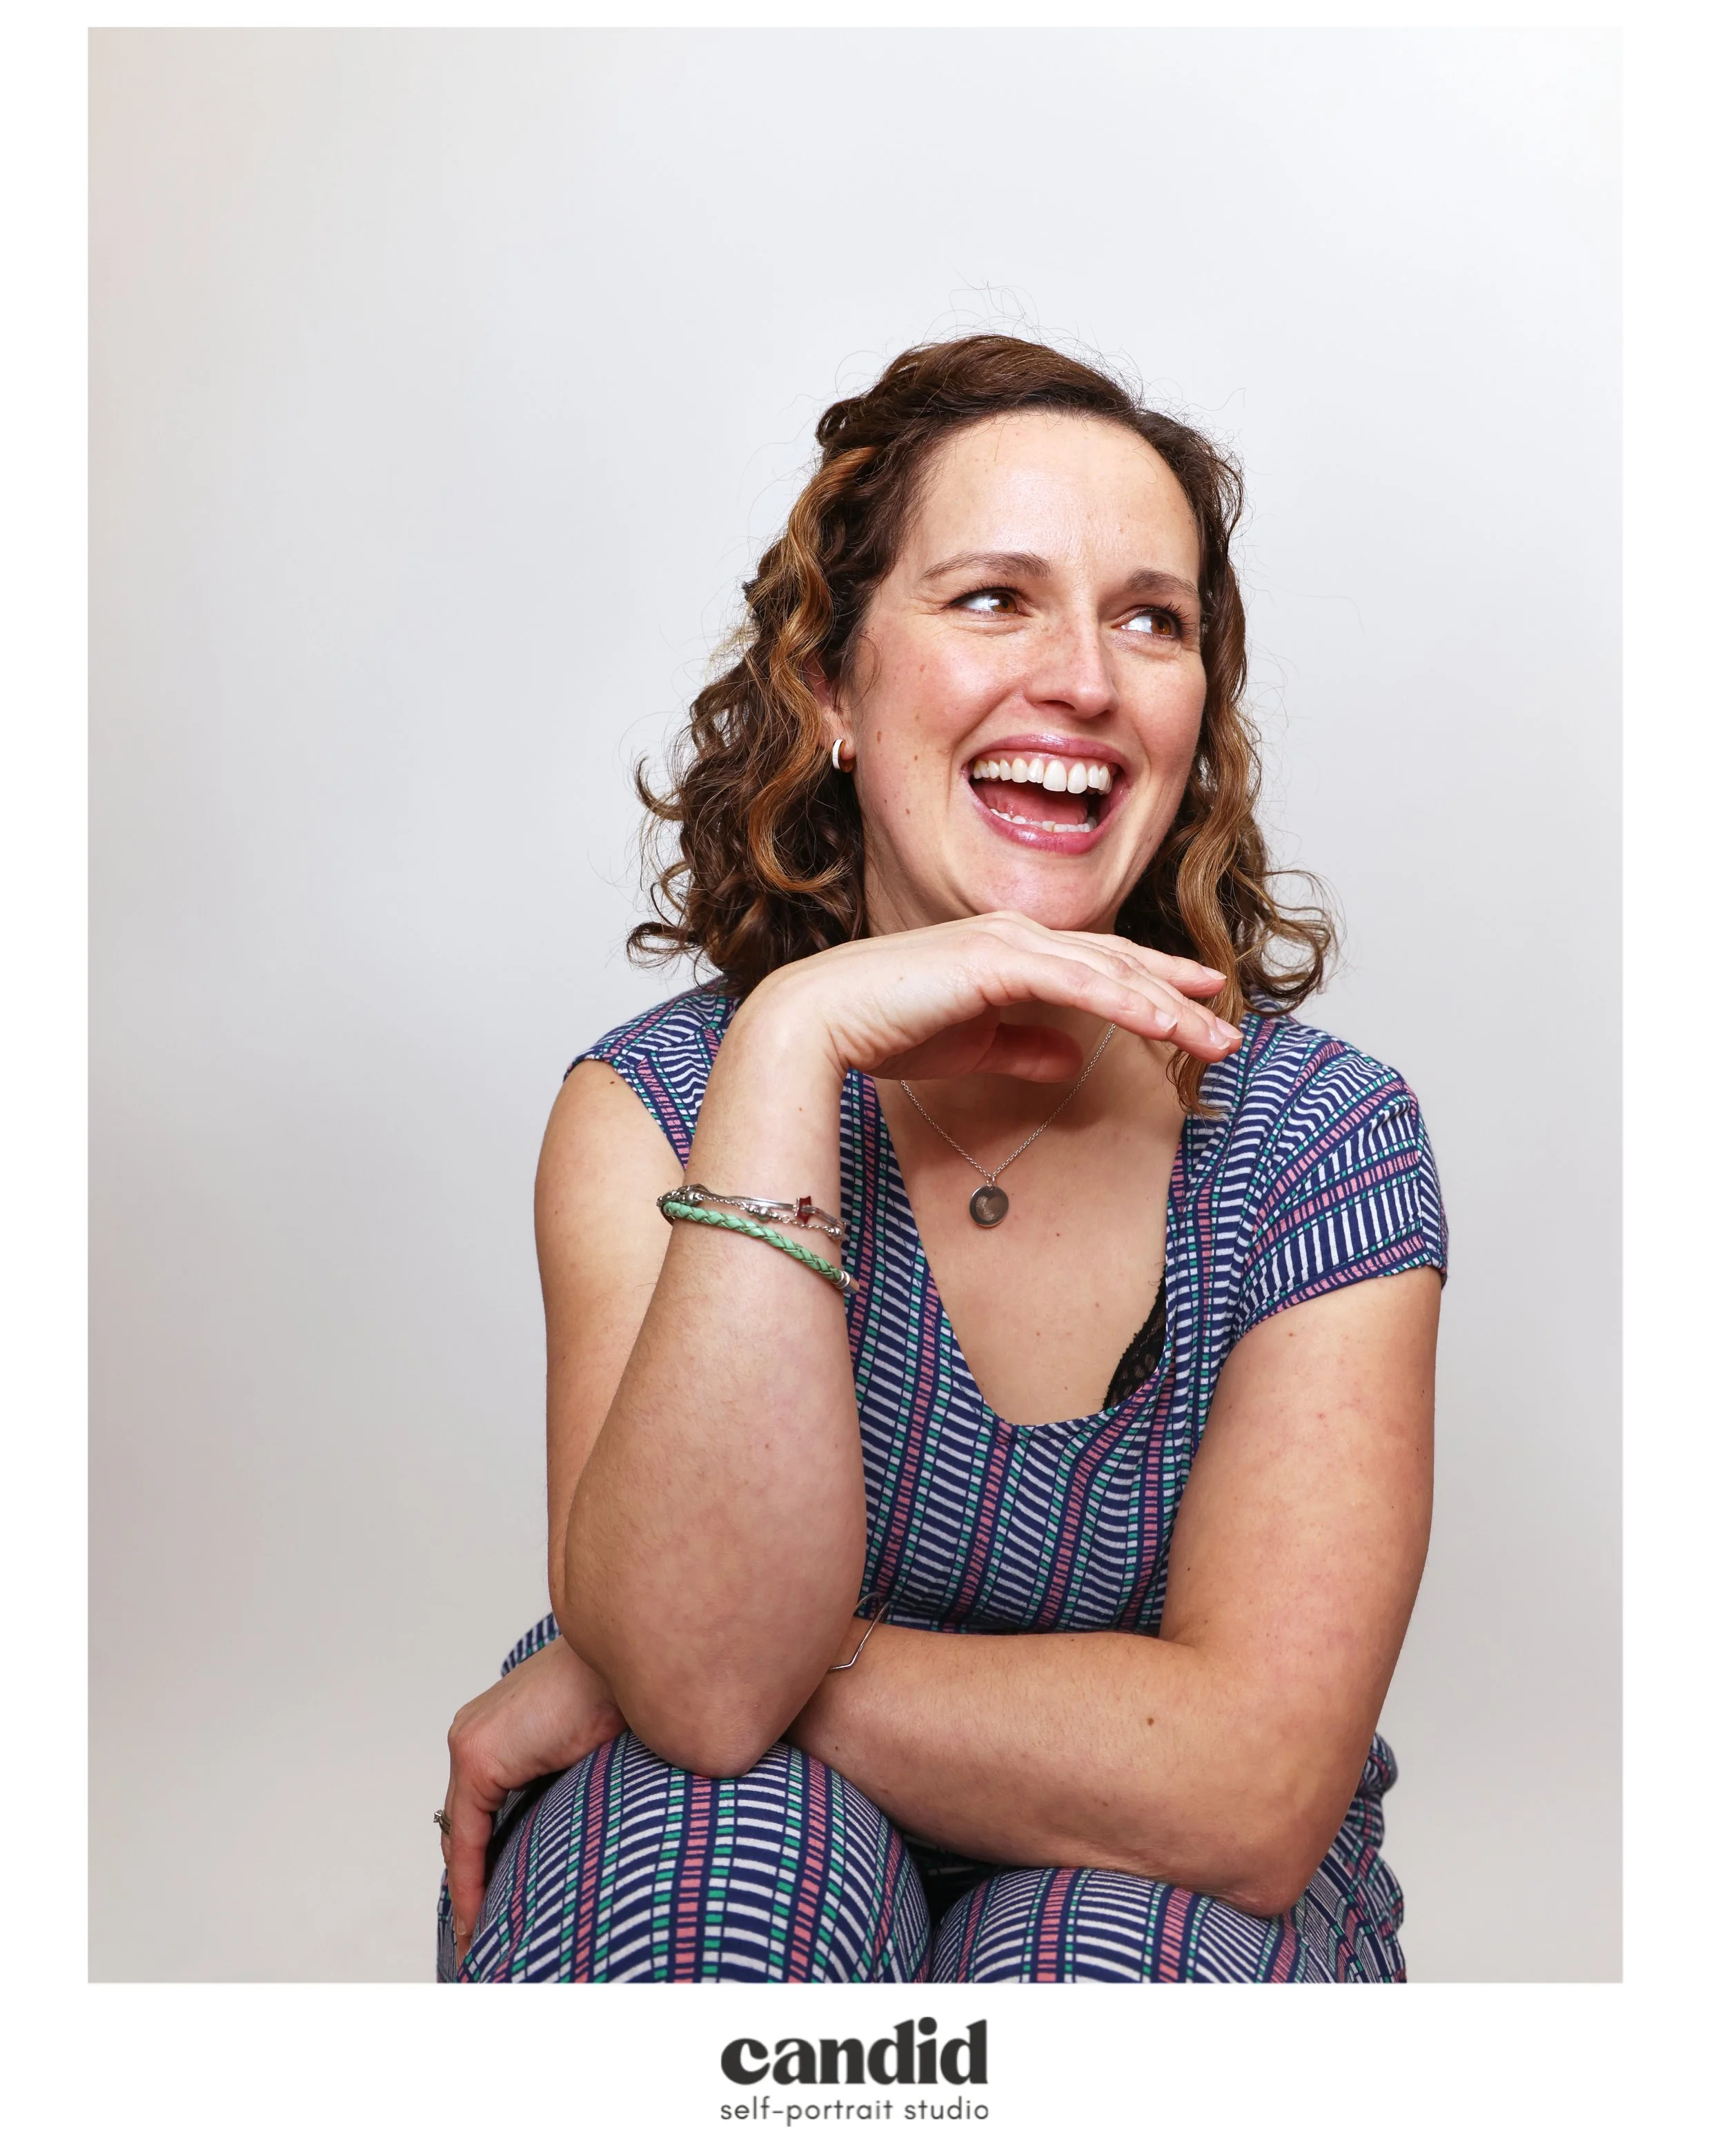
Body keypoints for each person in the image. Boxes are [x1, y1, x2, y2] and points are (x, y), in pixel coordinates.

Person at [435, 335, 1446, 1984]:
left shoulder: (1317, 1141)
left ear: (1196, 711)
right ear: (829, 688)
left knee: (1120, 1942)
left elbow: (1250, 1793)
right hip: (720, 1837)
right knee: (708, 1840)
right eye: (992, 598)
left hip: (1174, 1903)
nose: (1084, 677)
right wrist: (789, 1046)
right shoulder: (652, 1109)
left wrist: (678, 1662)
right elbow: (699, 1707)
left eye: (1150, 616)